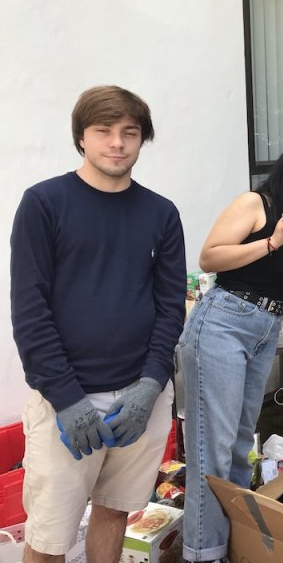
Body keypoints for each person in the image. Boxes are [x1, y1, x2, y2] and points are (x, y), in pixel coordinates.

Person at [10, 86, 185, 562]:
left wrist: (151, 385)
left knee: (115, 513)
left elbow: (171, 307)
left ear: (141, 140)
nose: (117, 143)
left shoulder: (161, 213)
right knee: (48, 539)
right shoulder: (44, 204)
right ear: (81, 138)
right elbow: (30, 311)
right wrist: (66, 400)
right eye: (104, 131)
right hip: (67, 401)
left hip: (139, 398)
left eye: (130, 133)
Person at [179, 142, 283, 561]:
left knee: (238, 443)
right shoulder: (257, 204)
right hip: (223, 323)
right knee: (212, 445)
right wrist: (269, 243)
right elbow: (210, 258)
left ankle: (229, 543)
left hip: (267, 330)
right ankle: (202, 553)